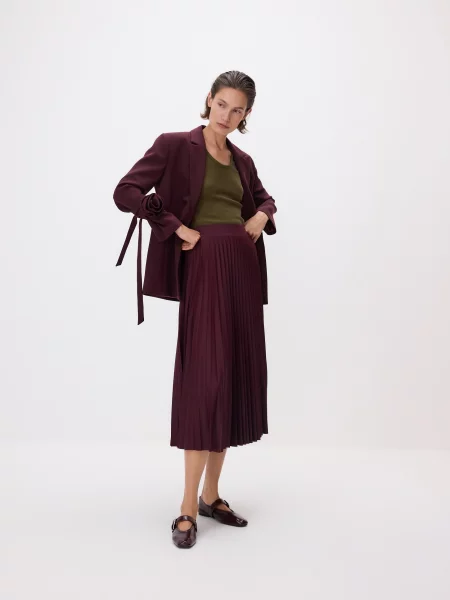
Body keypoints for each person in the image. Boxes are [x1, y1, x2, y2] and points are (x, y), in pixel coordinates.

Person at [113, 70, 277, 549]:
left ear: (247, 115)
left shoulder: (242, 160)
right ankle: (186, 507)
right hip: (204, 270)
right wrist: (175, 227)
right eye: (221, 104)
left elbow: (265, 199)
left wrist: (261, 214)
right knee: (205, 379)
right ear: (208, 100)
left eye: (238, 109)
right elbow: (126, 191)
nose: (227, 115)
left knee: (231, 377)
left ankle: (211, 495)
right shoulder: (174, 145)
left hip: (242, 271)